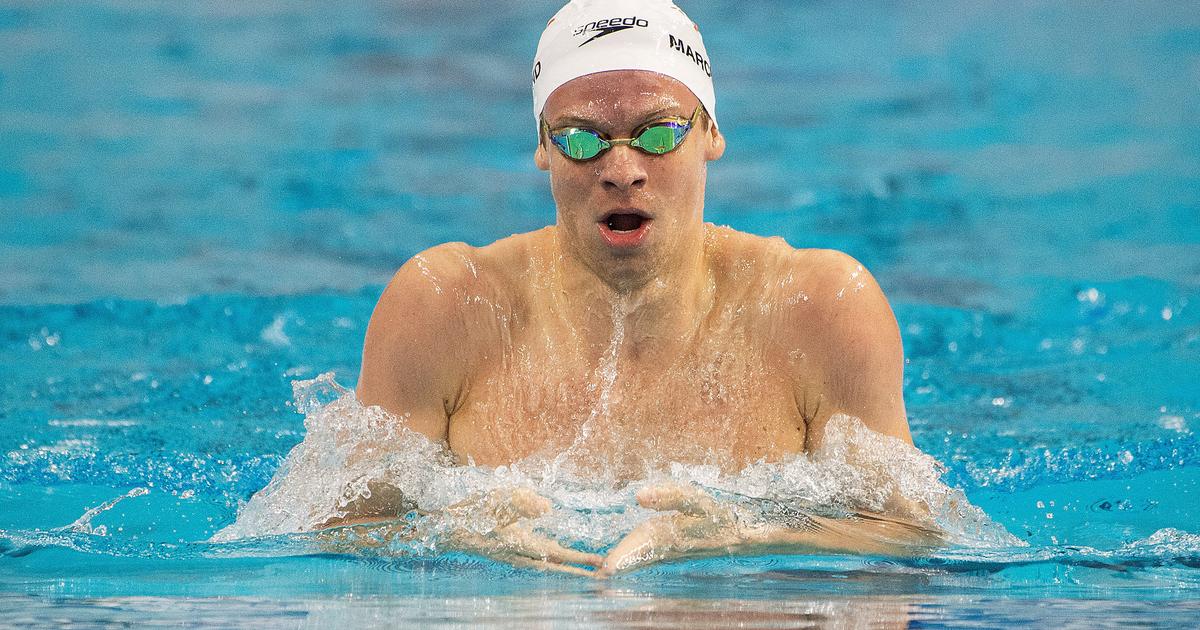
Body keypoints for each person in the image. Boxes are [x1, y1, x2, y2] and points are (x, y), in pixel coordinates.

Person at [343, 0, 939, 576]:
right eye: (582, 139)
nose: (622, 171)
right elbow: (335, 534)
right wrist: (453, 538)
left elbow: (914, 539)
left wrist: (747, 535)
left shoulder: (820, 308)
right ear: (544, 147)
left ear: (711, 133)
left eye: (658, 134)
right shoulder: (445, 307)